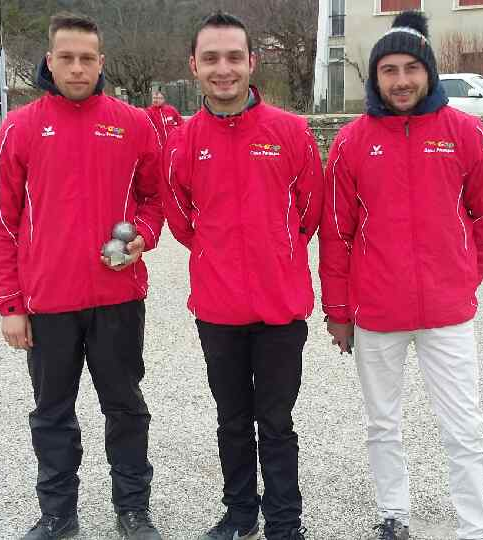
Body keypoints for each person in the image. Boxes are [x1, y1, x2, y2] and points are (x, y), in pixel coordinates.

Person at [318, 11, 483, 540]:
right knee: (382, 423)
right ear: (375, 78)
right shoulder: (351, 143)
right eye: (388, 70)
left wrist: (464, 277)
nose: (400, 80)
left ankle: (473, 527)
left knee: (463, 427)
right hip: (377, 314)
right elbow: (336, 234)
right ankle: (394, 516)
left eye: (410, 68)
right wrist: (337, 311)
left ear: (427, 71)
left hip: (446, 314)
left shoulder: (465, 133)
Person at [0, 12, 165, 540]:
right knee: (52, 415)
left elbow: (155, 201)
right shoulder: (20, 125)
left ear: (101, 63)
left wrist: (143, 238)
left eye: (87, 58)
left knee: (126, 408)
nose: (78, 67)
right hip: (48, 303)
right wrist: (10, 304)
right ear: (49, 61)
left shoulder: (133, 123)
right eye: (67, 57)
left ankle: (132, 509)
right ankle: (58, 515)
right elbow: (1, 221)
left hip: (117, 298)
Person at [160, 12, 324, 540]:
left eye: (234, 57)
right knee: (232, 421)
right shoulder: (183, 140)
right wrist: (218, 254)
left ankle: (283, 521)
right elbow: (180, 217)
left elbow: (310, 211)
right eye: (211, 58)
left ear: (252, 63)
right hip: (218, 309)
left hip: (280, 308)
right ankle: (239, 514)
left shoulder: (291, 131)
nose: (223, 69)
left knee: (276, 424)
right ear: (194, 66)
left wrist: (275, 253)